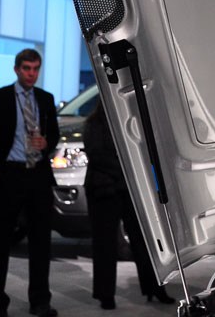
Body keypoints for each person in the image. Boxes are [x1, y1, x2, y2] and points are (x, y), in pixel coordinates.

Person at [0, 49, 60, 317]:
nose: (31, 74)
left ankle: (40, 301)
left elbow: (54, 135)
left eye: (35, 69)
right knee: (2, 242)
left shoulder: (45, 99)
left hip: (38, 176)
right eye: (26, 68)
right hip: (9, 175)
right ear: (16, 69)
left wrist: (47, 143)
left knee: (41, 242)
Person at [83, 102, 175, 309]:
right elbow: (96, 156)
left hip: (127, 188)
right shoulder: (95, 123)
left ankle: (154, 288)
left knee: (144, 242)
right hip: (104, 189)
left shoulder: (131, 122)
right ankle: (106, 295)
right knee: (105, 244)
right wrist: (129, 168)